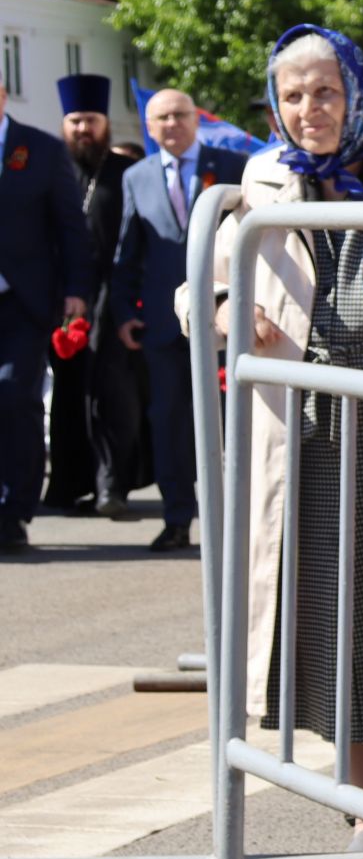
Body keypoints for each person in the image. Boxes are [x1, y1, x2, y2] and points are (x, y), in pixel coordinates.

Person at [199, 25, 363, 858]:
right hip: (311, 444)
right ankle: (362, 810)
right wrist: (226, 312)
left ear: (358, 90)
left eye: (325, 91)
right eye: (292, 95)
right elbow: (200, 291)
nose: (309, 110)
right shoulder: (264, 179)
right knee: (333, 627)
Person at [111, 88, 248, 550]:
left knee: (234, 421)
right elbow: (128, 253)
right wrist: (125, 313)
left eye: (179, 115)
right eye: (161, 118)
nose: (171, 124)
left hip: (225, 317)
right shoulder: (137, 176)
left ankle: (238, 521)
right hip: (165, 327)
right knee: (168, 420)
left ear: (196, 120)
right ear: (149, 128)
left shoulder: (230, 167)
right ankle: (176, 518)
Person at [44, 74, 145, 516]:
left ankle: (111, 486)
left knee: (111, 393)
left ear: (105, 123)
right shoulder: (53, 169)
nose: (83, 129)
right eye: (75, 121)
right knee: (66, 394)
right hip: (62, 294)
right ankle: (66, 486)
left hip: (111, 293)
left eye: (91, 120)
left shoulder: (126, 174)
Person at [0, 80, 89, 552]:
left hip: (24, 301)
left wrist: (75, 290)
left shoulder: (40, 149)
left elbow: (71, 227)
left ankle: (14, 510)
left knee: (15, 396)